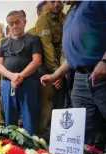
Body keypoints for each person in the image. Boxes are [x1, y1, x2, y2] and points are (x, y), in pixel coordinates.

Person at [41, 1, 106, 147]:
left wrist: (105, 61)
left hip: (102, 75)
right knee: (80, 133)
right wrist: (56, 74)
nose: (62, 1)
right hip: (80, 78)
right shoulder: (71, 13)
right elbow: (72, 56)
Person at [0, 11, 43, 135]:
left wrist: (20, 76)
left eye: (17, 22)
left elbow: (37, 61)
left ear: (24, 22)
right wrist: (12, 76)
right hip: (8, 84)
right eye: (11, 24)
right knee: (9, 123)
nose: (14, 26)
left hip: (28, 83)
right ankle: (11, 149)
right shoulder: (3, 43)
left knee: (30, 122)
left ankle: (31, 150)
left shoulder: (33, 39)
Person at [35, 0, 66, 141]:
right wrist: (56, 73)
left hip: (63, 70)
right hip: (47, 72)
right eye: (53, 1)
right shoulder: (43, 20)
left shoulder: (66, 18)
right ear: (47, 2)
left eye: (59, 1)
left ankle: (60, 140)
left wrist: (62, 73)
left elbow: (65, 47)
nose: (57, 4)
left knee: (62, 106)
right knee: (46, 108)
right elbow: (48, 48)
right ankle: (42, 143)